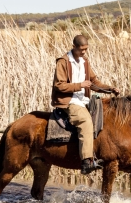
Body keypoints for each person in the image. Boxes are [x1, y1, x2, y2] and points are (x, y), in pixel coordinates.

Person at [51, 35, 119, 174]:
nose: (84, 52)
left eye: (86, 49)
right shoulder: (63, 62)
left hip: (84, 100)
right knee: (85, 121)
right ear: (74, 46)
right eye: (81, 49)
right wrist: (80, 85)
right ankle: (87, 161)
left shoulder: (84, 61)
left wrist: (109, 89)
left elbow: (94, 82)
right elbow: (59, 85)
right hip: (70, 101)